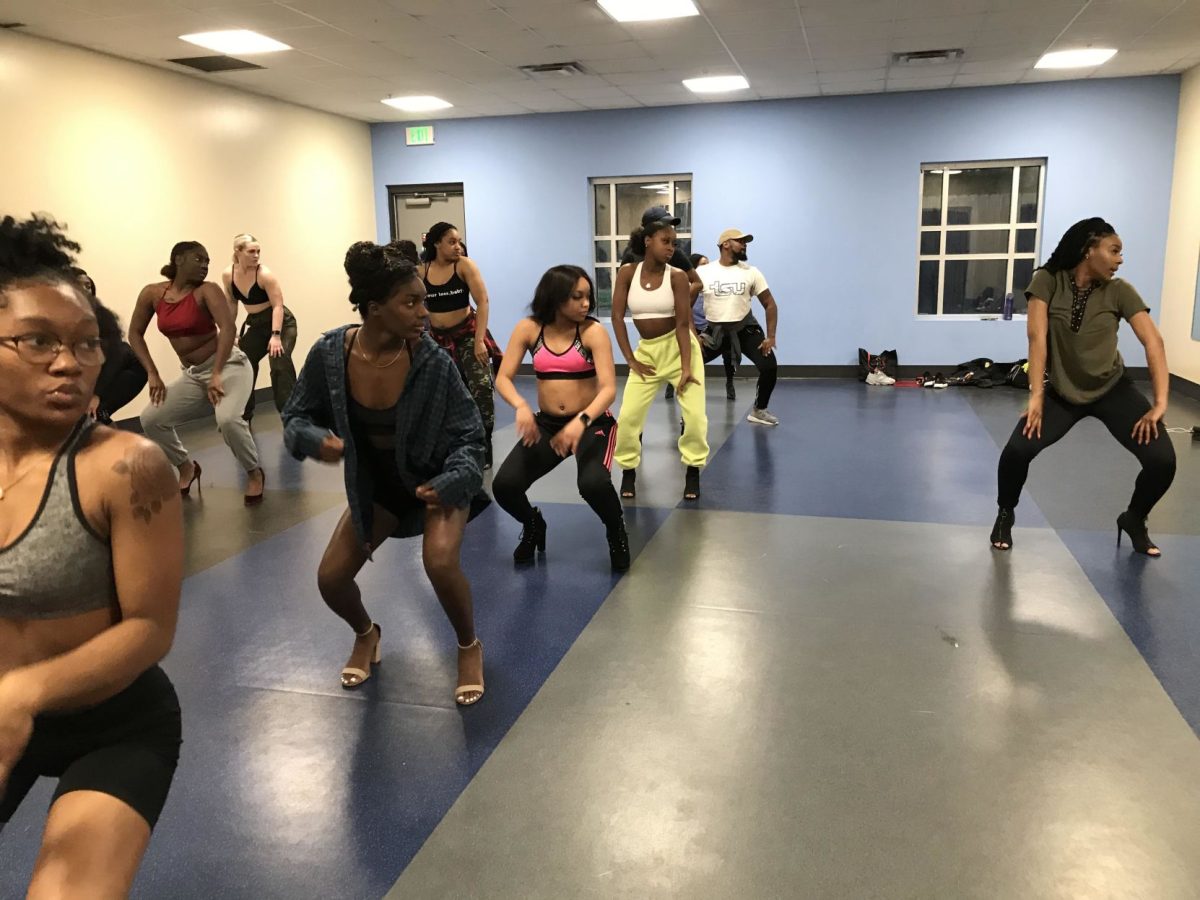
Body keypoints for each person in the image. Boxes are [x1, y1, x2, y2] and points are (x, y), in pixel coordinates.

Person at [0, 215, 183, 896]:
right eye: (37, 341)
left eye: (86, 344)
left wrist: (23, 693)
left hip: (115, 722)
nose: (68, 363)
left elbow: (149, 629)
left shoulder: (126, 467)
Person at [282, 240, 490, 705]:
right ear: (374, 309)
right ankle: (366, 633)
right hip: (379, 488)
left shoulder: (431, 360)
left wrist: (454, 479)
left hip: (436, 483)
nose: (424, 313)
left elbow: (470, 437)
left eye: (424, 300)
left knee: (438, 561)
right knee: (331, 579)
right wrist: (316, 440)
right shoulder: (331, 355)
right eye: (411, 302)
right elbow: (295, 417)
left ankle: (468, 646)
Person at [991, 217, 1176, 555]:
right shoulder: (1047, 281)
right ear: (1090, 250)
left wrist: (1160, 403)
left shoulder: (1120, 291)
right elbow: (1037, 337)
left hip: (1112, 389)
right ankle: (1006, 512)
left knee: (1163, 460)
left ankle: (1134, 518)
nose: (1120, 259)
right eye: (1114, 250)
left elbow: (1153, 342)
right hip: (1063, 393)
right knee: (1017, 451)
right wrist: (1036, 396)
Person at [493, 265, 629, 571]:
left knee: (593, 484)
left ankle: (616, 530)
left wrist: (579, 423)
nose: (586, 304)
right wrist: (520, 406)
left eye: (588, 297)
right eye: (576, 297)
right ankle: (533, 524)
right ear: (554, 298)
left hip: (592, 423)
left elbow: (608, 389)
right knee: (505, 486)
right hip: (547, 424)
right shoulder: (529, 329)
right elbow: (503, 378)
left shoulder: (593, 332)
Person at [129, 242, 265, 504]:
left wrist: (216, 374)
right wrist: (153, 373)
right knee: (151, 419)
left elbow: (227, 329)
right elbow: (134, 333)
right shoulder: (153, 294)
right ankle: (186, 467)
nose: (205, 265)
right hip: (193, 374)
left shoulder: (208, 291)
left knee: (227, 420)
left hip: (228, 367)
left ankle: (254, 472)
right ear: (178, 259)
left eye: (207, 261)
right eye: (198, 259)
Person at [611, 218, 708, 501]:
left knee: (694, 418)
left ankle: (692, 469)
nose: (671, 248)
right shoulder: (628, 273)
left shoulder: (677, 276)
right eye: (666, 241)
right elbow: (617, 317)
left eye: (674, 243)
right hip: (647, 352)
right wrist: (630, 359)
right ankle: (628, 469)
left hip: (680, 350)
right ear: (648, 241)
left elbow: (682, 323)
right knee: (628, 417)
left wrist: (687, 367)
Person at [420, 223, 503, 467]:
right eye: (451, 242)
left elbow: (483, 301)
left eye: (459, 241)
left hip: (468, 335)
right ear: (436, 244)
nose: (458, 247)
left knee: (482, 386)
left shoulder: (464, 266)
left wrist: (479, 341)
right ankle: (450, 443)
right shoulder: (421, 271)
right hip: (437, 339)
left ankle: (484, 442)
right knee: (441, 393)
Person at [695, 229, 781, 425]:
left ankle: (759, 410)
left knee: (769, 366)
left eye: (745, 242)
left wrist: (771, 336)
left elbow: (770, 304)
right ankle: (690, 417)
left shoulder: (751, 272)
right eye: (740, 241)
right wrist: (693, 335)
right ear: (726, 244)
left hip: (745, 330)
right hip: (713, 332)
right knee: (688, 368)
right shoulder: (704, 272)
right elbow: (684, 304)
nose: (745, 245)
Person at [221, 234, 298, 420]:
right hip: (256, 324)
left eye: (258, 251)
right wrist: (230, 333)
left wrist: (276, 336)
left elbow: (278, 305)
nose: (256, 255)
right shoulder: (228, 274)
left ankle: (292, 415)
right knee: (244, 363)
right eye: (251, 251)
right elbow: (231, 304)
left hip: (281, 323)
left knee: (279, 364)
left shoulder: (264, 274)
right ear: (238, 252)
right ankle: (244, 415)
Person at [71, 268, 147, 424]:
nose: (86, 289)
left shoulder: (100, 316)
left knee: (95, 415)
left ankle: (102, 417)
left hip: (123, 370)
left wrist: (97, 395)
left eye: (88, 285)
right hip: (89, 375)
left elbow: (116, 354)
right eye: (80, 285)